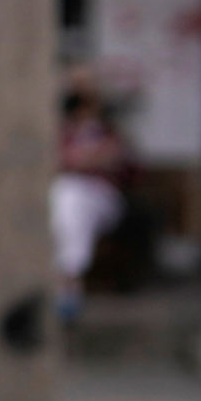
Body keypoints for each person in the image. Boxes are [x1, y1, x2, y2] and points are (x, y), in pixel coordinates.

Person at [51, 83, 131, 324]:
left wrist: (88, 159)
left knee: (70, 196)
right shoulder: (65, 133)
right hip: (68, 197)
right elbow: (63, 161)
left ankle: (68, 283)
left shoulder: (109, 132)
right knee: (66, 196)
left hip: (104, 199)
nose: (84, 110)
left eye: (88, 104)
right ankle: (69, 280)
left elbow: (123, 163)